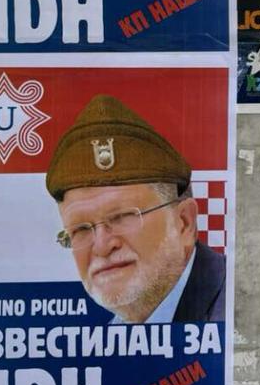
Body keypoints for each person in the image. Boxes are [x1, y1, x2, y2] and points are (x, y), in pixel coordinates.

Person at [48, 94, 224, 324]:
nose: (101, 246)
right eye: (80, 229)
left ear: (184, 223)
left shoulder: (236, 308)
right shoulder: (109, 336)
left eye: (122, 216)